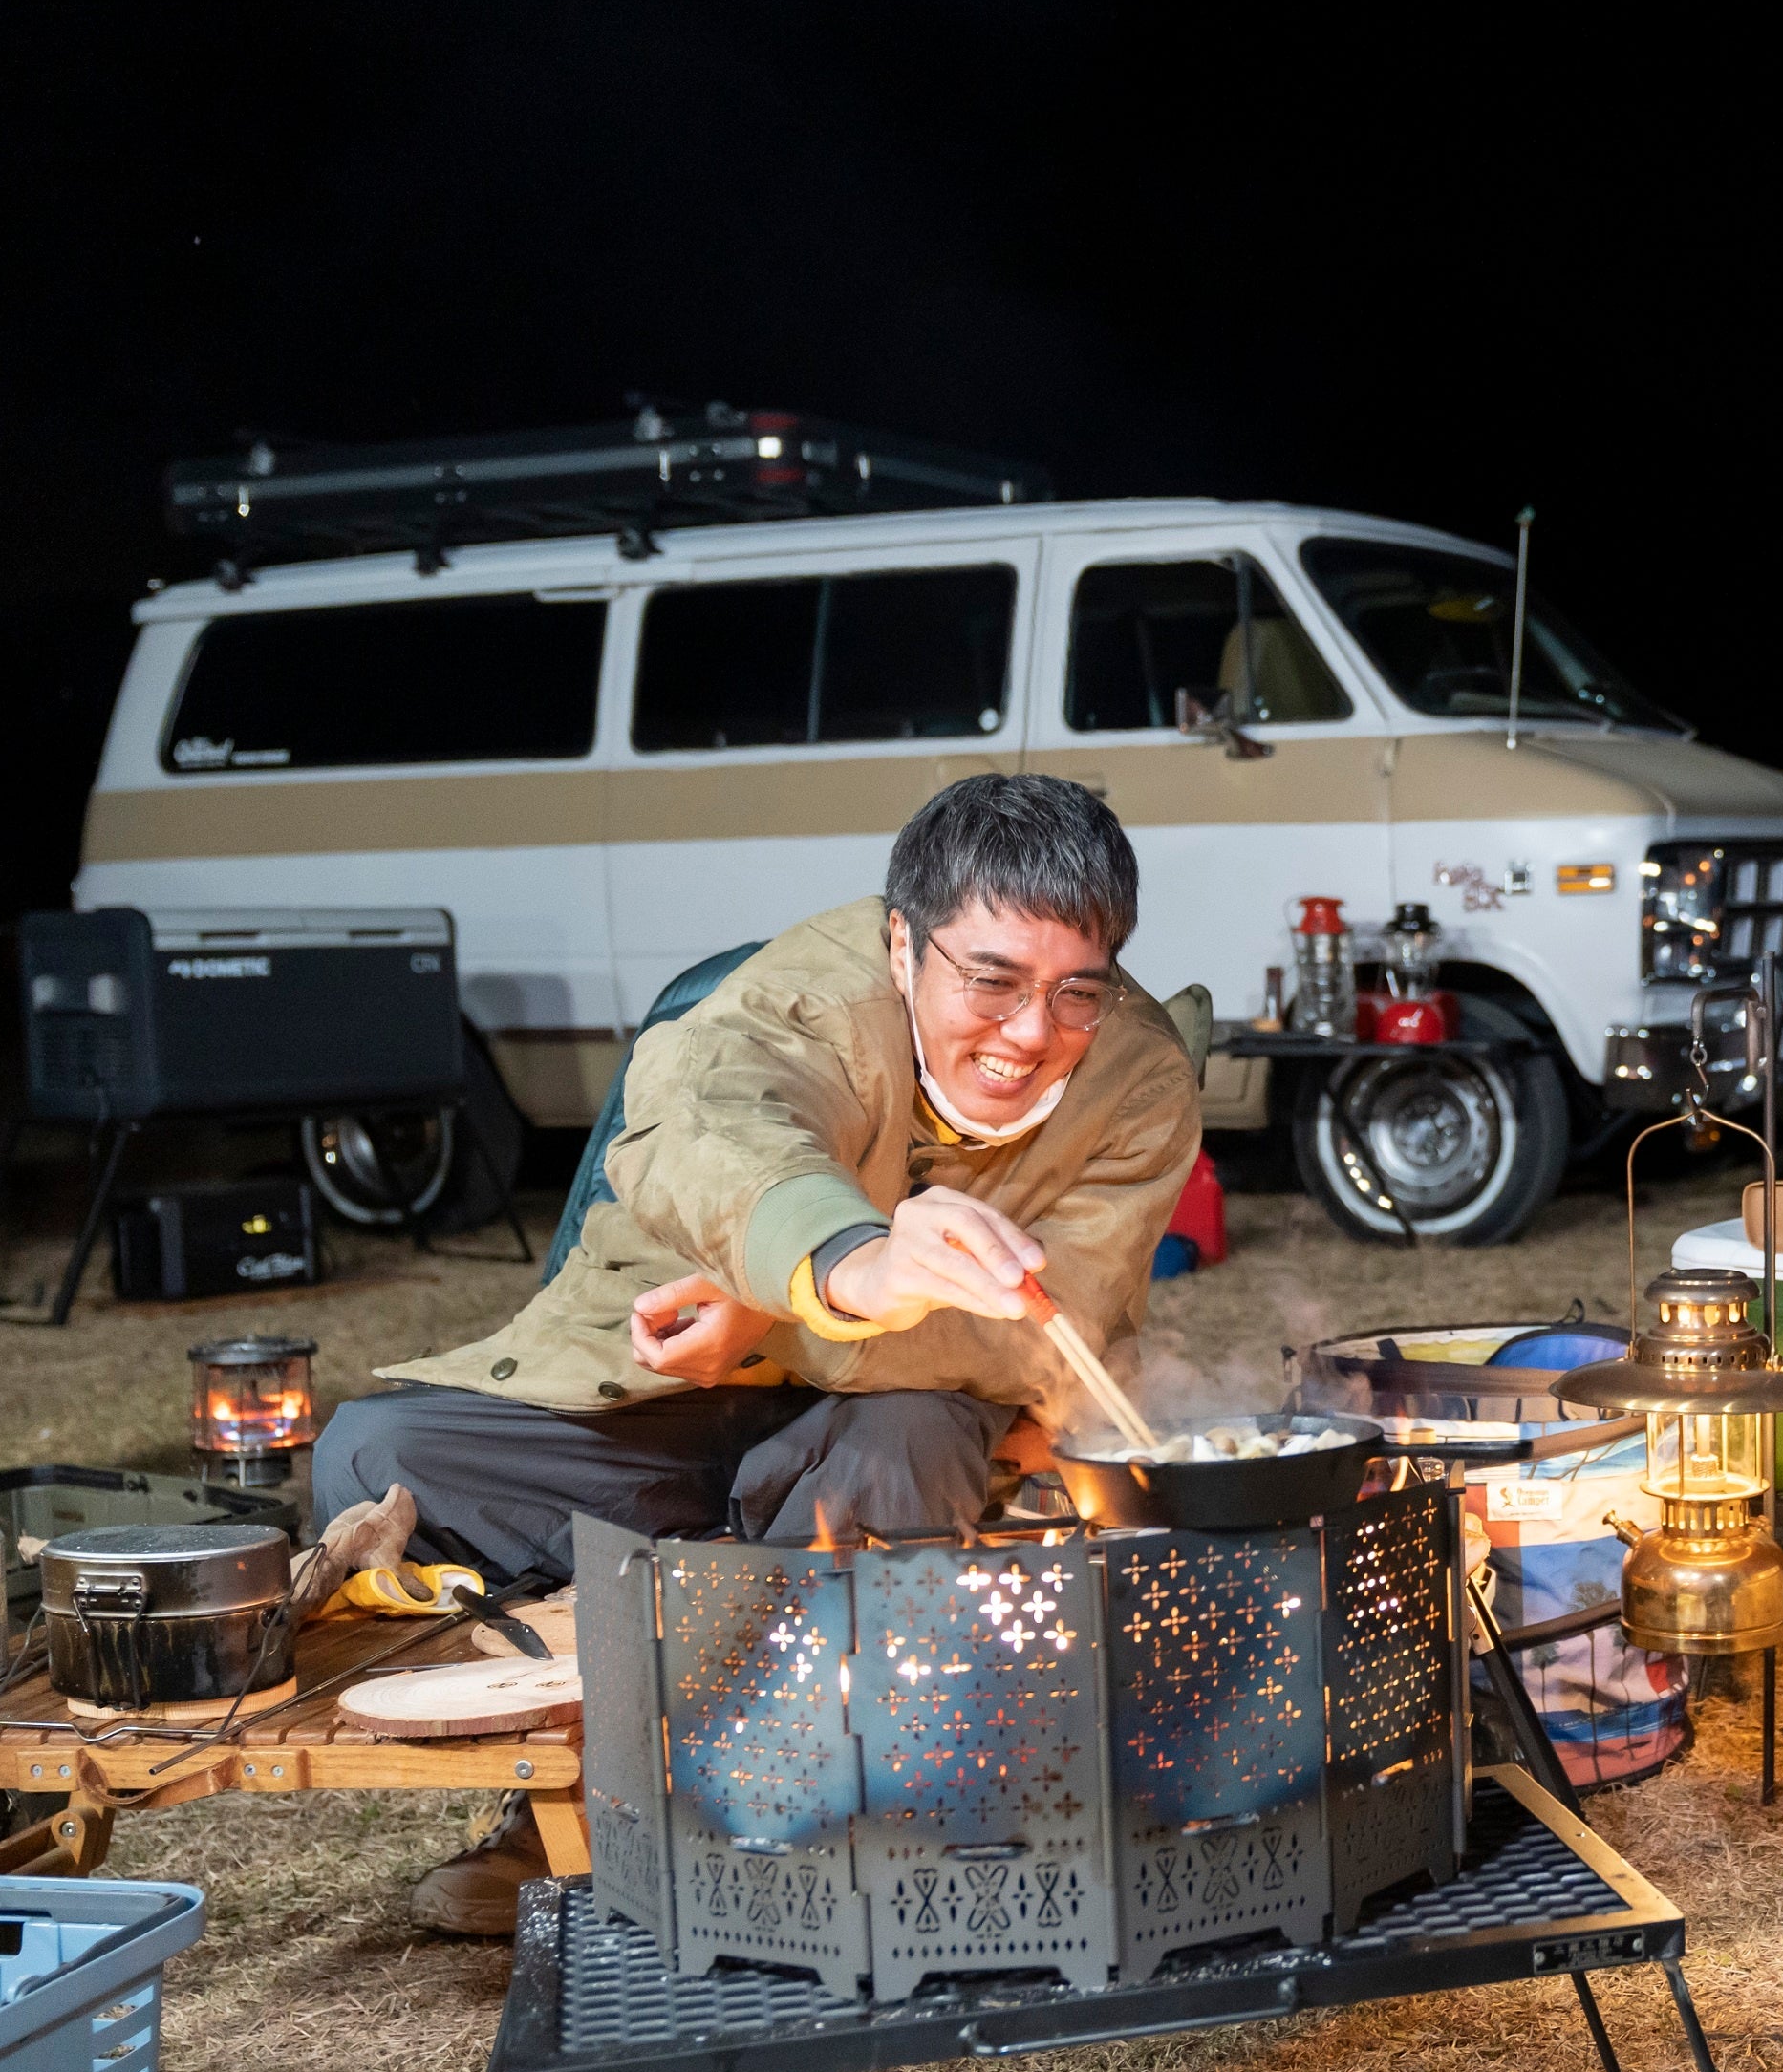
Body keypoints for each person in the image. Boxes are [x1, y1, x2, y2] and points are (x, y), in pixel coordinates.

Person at [313, 771, 1204, 1931]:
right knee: (380, 1455)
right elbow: (704, 1130)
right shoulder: (806, 998)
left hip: (890, 1430)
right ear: (904, 943)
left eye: (1076, 990)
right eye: (991, 981)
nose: (1032, 1033)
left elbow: (1050, 1334)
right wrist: (837, 1261)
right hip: (666, 1404)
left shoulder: (1137, 1077)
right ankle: (578, 1798)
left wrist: (784, 1313)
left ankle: (790, 1824)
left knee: (908, 1440)